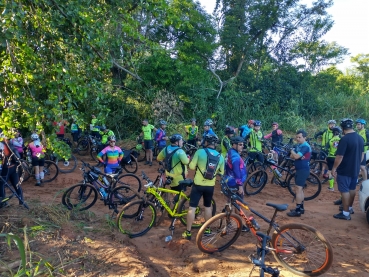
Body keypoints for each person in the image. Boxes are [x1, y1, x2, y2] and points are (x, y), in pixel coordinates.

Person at [182, 134, 225, 240]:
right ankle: (207, 229)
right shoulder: (220, 157)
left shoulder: (200, 152)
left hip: (198, 184)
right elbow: (222, 172)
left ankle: (188, 232)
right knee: (207, 207)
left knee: (192, 207)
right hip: (210, 186)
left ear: (206, 142)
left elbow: (191, 166)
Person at [331, 119, 364, 220]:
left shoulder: (345, 139)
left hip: (345, 169)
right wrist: (357, 164)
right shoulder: (360, 138)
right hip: (355, 168)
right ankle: (349, 208)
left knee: (344, 190)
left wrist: (334, 168)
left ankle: (345, 213)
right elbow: (362, 155)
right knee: (352, 189)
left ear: (342, 128)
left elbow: (339, 157)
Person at [224, 136, 249, 231]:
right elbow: (236, 171)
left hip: (228, 181)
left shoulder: (230, 152)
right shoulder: (235, 156)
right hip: (234, 183)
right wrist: (240, 185)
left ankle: (228, 222)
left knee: (229, 202)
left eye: (243, 145)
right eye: (240, 145)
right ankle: (240, 225)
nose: (242, 146)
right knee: (238, 204)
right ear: (234, 145)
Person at [287, 129, 312, 217]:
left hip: (303, 169)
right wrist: (293, 152)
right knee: (299, 189)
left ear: (304, 137)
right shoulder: (299, 145)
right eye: (297, 137)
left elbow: (296, 156)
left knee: (298, 189)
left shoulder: (305, 146)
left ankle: (298, 210)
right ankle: (300, 208)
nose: (298, 139)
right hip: (299, 169)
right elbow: (292, 156)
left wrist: (292, 151)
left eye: (299, 137)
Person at [157, 134, 189, 200]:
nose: (182, 142)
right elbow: (186, 162)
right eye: (181, 140)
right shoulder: (180, 151)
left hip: (169, 175)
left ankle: (175, 203)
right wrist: (188, 157)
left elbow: (158, 158)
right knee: (179, 194)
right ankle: (178, 207)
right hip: (179, 177)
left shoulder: (166, 148)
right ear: (176, 142)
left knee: (173, 190)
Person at [0, 128, 24, 208]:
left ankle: (3, 202)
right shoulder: (7, 141)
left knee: (1, 184)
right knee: (16, 184)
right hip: (14, 166)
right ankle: (21, 201)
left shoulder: (1, 144)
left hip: (6, 168)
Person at [326, 127, 341, 191]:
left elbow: (326, 148)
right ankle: (340, 186)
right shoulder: (341, 139)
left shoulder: (330, 140)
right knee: (338, 172)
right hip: (338, 157)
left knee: (330, 171)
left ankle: (331, 187)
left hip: (330, 157)